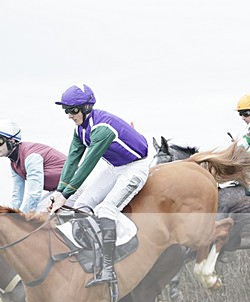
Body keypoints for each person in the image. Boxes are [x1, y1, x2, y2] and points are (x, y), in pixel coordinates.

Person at [51, 84, 149, 287]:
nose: (69, 115)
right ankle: (91, 254)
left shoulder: (102, 129)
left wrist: (66, 194)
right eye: (66, 111)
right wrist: (60, 193)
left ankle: (108, 268)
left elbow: (88, 164)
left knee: (105, 209)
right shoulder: (80, 130)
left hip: (134, 168)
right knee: (82, 205)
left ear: (86, 107)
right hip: (114, 167)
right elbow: (72, 160)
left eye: (73, 110)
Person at [0, 120, 65, 212]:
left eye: (0, 141)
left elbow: (34, 194)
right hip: (58, 191)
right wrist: (11, 215)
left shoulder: (31, 157)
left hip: (74, 188)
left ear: (12, 141)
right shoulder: (13, 163)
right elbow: (17, 196)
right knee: (33, 213)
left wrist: (21, 218)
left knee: (36, 215)